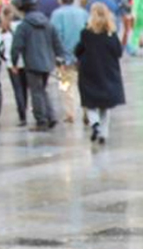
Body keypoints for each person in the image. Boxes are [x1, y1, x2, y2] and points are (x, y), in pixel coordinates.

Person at [11, 0, 66, 131]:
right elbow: (57, 43)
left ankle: (41, 121)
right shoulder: (48, 23)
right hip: (48, 62)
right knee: (42, 90)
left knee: (36, 92)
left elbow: (16, 46)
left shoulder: (24, 26)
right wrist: (60, 59)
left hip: (32, 63)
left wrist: (14, 63)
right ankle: (51, 116)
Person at [75, 1, 124, 143]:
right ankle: (104, 133)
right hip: (107, 72)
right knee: (105, 105)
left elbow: (78, 50)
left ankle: (94, 124)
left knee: (90, 103)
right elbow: (118, 52)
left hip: (89, 73)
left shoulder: (86, 33)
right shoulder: (111, 33)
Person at [51, 0, 88, 122]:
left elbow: (55, 36)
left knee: (66, 86)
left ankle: (70, 113)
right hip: (83, 56)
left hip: (64, 57)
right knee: (84, 84)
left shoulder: (57, 14)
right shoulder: (82, 13)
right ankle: (87, 110)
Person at [0, 3, 29, 125]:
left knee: (18, 89)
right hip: (25, 61)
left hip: (11, 64)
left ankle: (22, 115)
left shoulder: (3, 29)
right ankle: (26, 108)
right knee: (25, 88)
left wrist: (4, 59)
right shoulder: (23, 25)